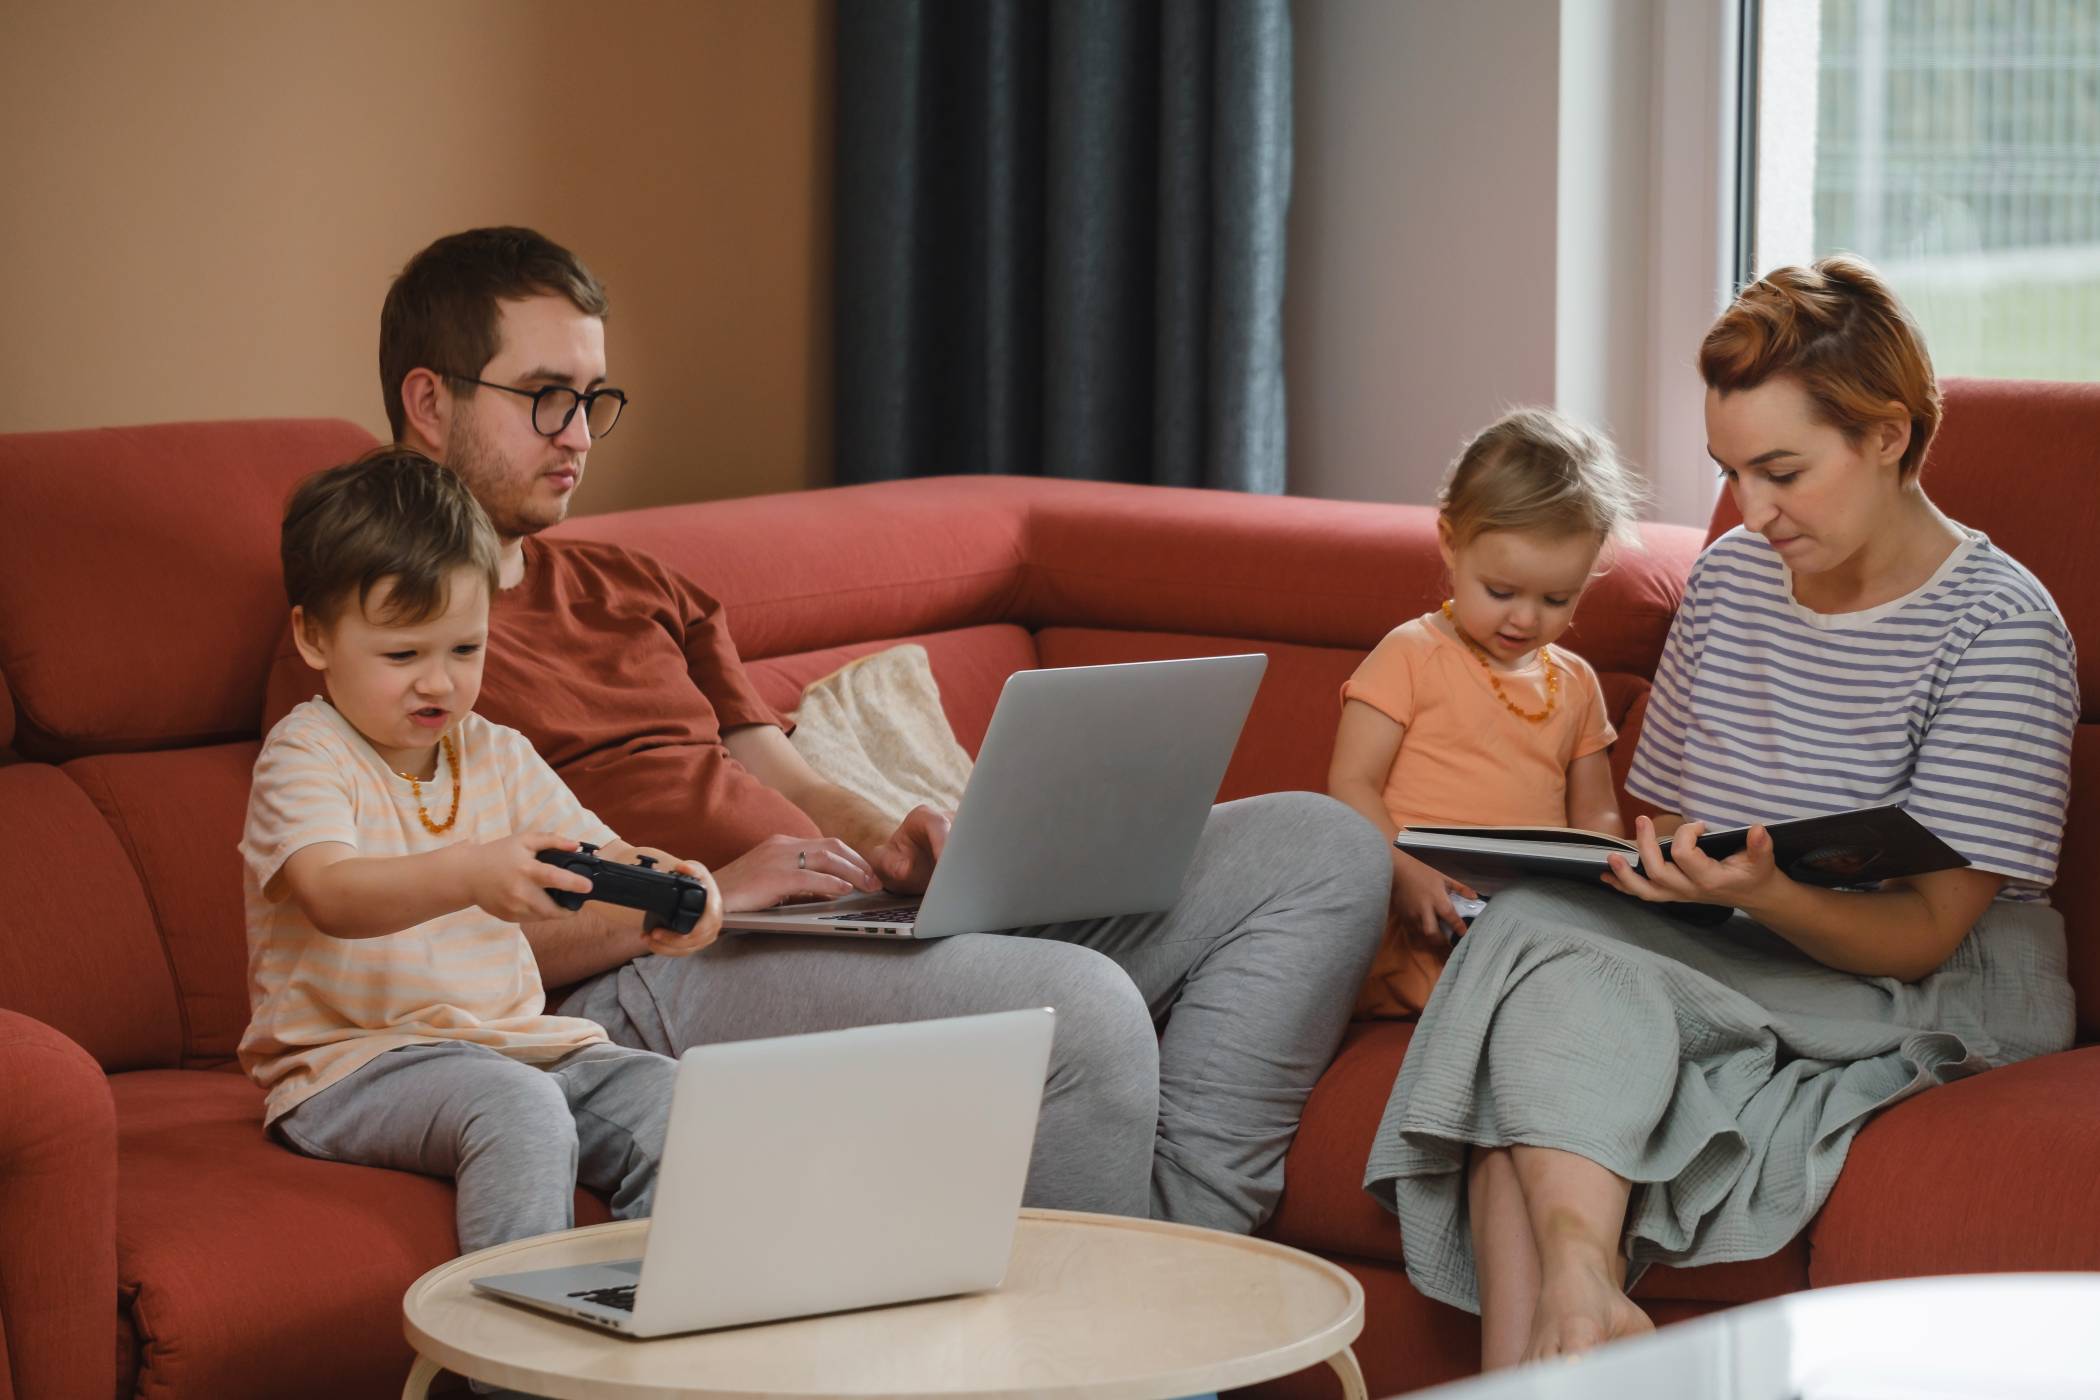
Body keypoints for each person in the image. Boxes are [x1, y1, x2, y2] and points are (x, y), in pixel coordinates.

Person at [266, 227, 1389, 1233]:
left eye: (595, 398)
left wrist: (897, 841)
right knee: (1079, 1008)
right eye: (544, 395)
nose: (579, 434)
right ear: (429, 401)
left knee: (1322, 848)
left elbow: (780, 770)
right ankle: (1120, 1324)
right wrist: (715, 888)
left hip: (832, 917)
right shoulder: (387, 652)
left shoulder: (633, 581)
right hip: (663, 964)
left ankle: (1174, 1263)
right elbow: (426, 936)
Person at [1363, 255, 2079, 1369]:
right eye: (1732, 472)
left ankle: (1564, 1316)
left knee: (1544, 980)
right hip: (1742, 936)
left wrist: (1769, 891)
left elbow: (1934, 926)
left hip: (1937, 966)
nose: (1752, 511)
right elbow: (1672, 812)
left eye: (1783, 471)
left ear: (1887, 435)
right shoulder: (1735, 576)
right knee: (1535, 933)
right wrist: (1666, 873)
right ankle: (1581, 1294)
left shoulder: (2001, 627)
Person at [242, 448, 724, 1270]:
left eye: (465, 650)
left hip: (517, 1042)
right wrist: (470, 872)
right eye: (403, 656)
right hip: (350, 1065)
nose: (439, 682)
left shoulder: (495, 751)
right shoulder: (307, 751)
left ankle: (648, 1341)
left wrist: (670, 885)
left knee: (682, 1101)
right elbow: (331, 893)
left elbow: (598, 855)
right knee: (520, 1107)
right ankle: (517, 1370)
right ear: (314, 636)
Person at [1328, 408, 1643, 1018]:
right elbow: (1350, 782)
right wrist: (1404, 866)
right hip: (1420, 911)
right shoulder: (1412, 654)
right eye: (1501, 592)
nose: (1526, 619)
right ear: (1451, 542)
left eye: (1558, 599)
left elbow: (1596, 808)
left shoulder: (1575, 682)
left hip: (1529, 918)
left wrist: (1603, 881)